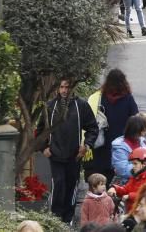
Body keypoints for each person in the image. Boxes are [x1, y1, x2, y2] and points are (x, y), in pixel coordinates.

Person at [41, 79, 99, 223]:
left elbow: (93, 128)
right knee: (58, 184)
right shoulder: (50, 106)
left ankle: (68, 219)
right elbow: (40, 130)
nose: (64, 90)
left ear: (72, 88)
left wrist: (86, 145)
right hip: (55, 155)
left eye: (67, 87)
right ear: (57, 88)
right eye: (62, 87)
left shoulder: (81, 105)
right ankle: (55, 218)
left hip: (74, 156)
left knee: (71, 186)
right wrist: (43, 147)